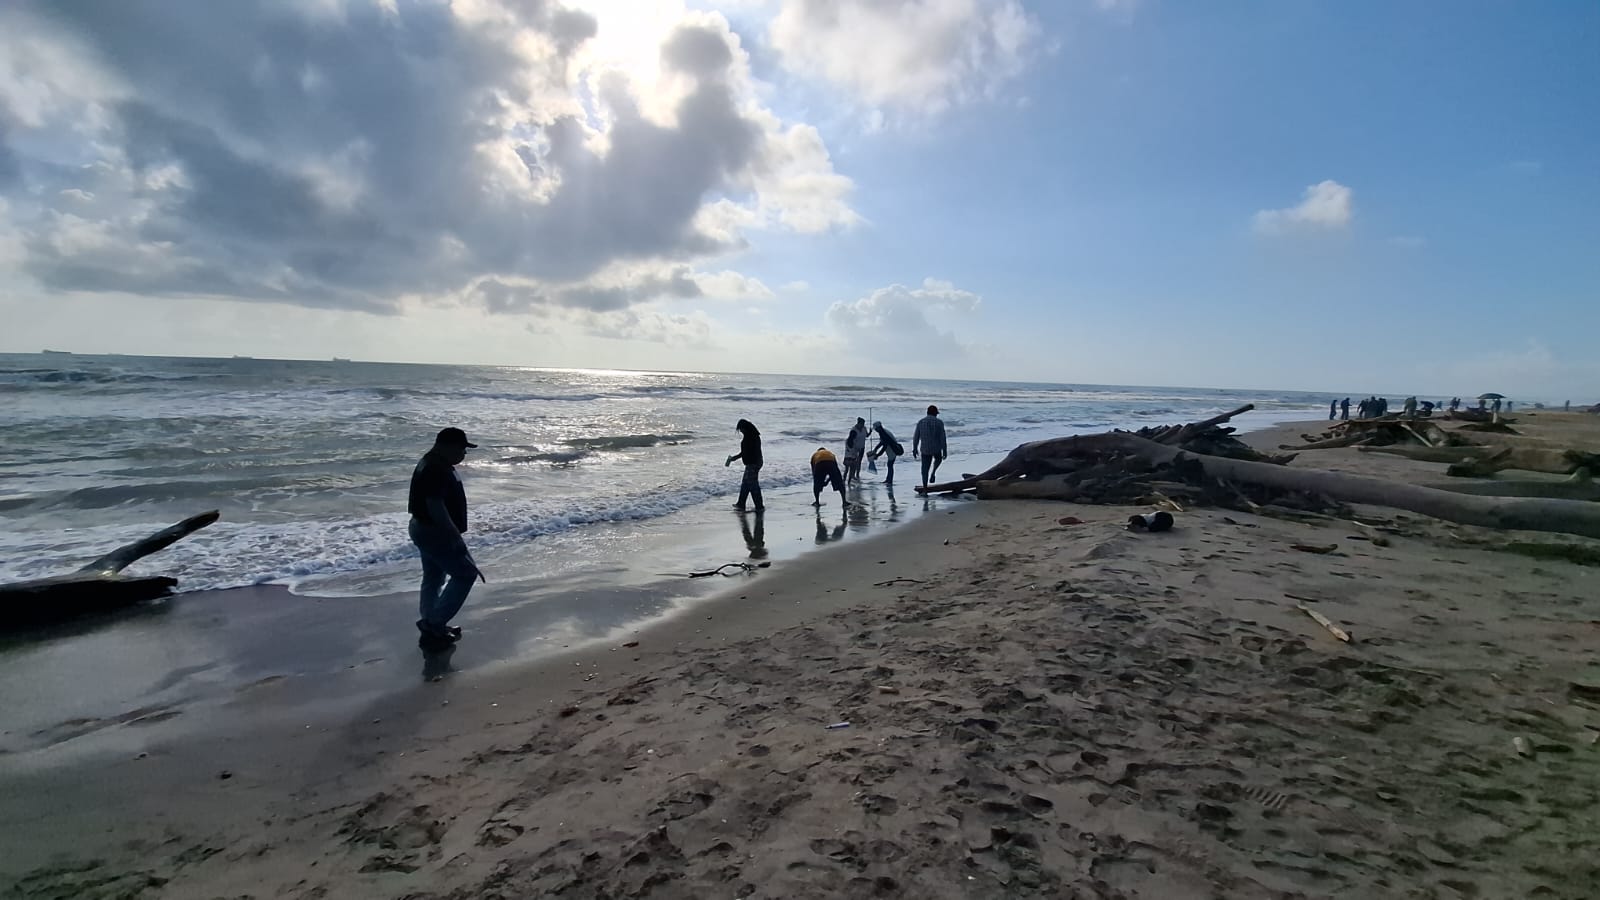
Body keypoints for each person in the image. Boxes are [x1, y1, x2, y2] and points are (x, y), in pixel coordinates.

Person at [408, 427, 483, 646]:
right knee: (466, 574)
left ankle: (431, 623)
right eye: (461, 448)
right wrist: (454, 537)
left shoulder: (432, 462)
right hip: (435, 532)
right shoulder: (436, 468)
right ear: (446, 446)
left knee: (433, 577)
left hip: (423, 528)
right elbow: (435, 506)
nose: (463, 453)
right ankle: (434, 623)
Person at [725, 419, 764, 512]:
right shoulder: (751, 436)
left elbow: (750, 451)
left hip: (753, 463)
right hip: (753, 463)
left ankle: (759, 506)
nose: (741, 431)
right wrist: (735, 458)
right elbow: (744, 452)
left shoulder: (753, 437)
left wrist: (740, 458)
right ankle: (741, 503)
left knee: (752, 484)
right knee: (746, 483)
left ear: (745, 428)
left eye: (741, 429)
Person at [912, 405, 948, 488]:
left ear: (927, 412)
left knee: (924, 469)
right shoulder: (939, 422)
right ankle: (933, 472)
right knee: (938, 459)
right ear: (935, 413)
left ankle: (925, 487)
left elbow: (916, 437)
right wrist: (945, 450)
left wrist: (915, 448)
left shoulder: (921, 422)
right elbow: (942, 438)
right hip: (936, 448)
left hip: (925, 448)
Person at [868, 421, 902, 486]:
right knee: (889, 465)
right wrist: (876, 449)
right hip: (890, 450)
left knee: (890, 465)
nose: (875, 430)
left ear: (879, 428)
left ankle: (889, 480)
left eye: (876, 429)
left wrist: (878, 455)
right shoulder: (883, 432)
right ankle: (888, 479)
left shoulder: (884, 434)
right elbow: (882, 442)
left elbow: (884, 446)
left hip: (892, 451)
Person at [843, 417, 869, 484]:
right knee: (853, 464)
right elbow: (851, 439)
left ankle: (856, 475)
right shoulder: (853, 430)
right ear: (858, 423)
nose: (863, 425)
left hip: (861, 447)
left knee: (859, 462)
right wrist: (855, 451)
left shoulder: (864, 428)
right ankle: (852, 476)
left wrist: (870, 432)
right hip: (855, 448)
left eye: (863, 424)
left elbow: (867, 435)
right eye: (862, 424)